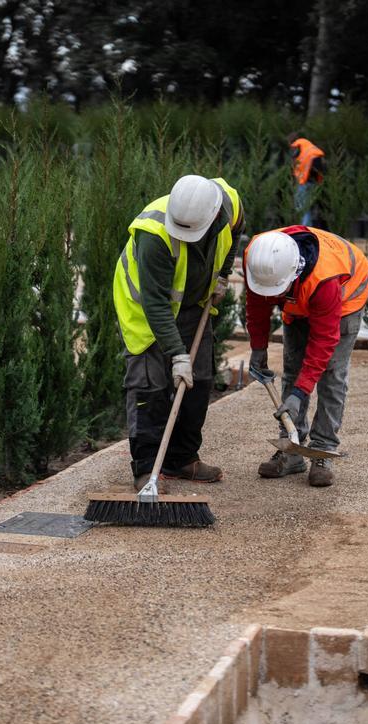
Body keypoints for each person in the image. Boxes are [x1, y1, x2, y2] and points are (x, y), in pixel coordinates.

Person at [113, 174, 244, 490]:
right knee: (149, 387)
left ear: (213, 215)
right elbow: (156, 304)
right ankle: (146, 468)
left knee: (199, 382)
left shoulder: (229, 203)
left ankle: (182, 459)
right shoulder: (154, 234)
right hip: (145, 312)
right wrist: (177, 355)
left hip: (194, 306)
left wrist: (223, 274)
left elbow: (237, 231)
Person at [244, 224, 368, 487]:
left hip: (345, 297)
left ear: (293, 274)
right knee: (292, 368)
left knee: (331, 374)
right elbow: (257, 305)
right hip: (300, 299)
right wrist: (258, 348)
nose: (272, 295)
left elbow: (324, 342)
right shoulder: (259, 258)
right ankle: (292, 449)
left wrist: (300, 393)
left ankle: (322, 450)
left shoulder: (324, 281)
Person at [288, 136, 326, 226]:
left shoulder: (298, 145)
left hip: (303, 182)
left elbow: (294, 160)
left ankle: (305, 227)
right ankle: (308, 226)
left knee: (302, 208)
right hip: (313, 182)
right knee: (308, 208)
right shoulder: (312, 149)